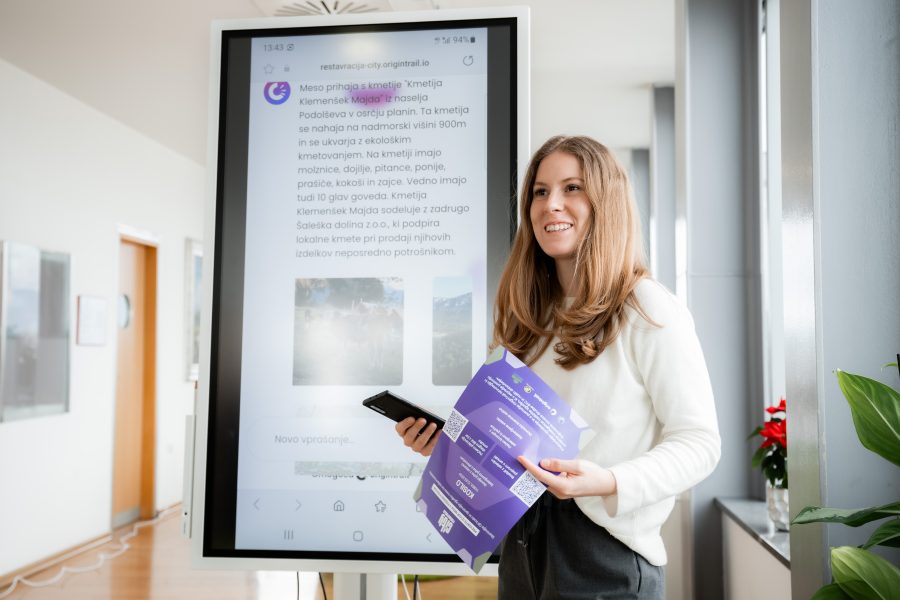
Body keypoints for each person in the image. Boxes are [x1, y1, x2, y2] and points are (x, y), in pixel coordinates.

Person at [396, 135, 721, 599]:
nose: (551, 205)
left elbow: (700, 443)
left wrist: (608, 481)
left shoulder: (646, 307)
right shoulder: (527, 315)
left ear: (605, 202)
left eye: (572, 188)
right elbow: (514, 442)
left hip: (603, 553)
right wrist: (448, 446)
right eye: (540, 191)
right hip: (522, 542)